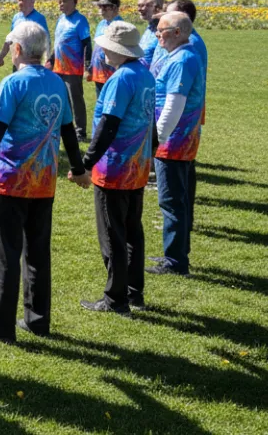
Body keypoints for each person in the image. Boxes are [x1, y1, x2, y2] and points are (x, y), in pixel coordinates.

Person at [0, 21, 86, 342]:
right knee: (38, 253)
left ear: (16, 50)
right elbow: (69, 131)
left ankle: (0, 327)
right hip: (44, 182)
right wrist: (78, 167)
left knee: (8, 254)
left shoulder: (12, 83)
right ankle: (37, 320)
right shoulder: (58, 83)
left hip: (11, 183)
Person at [78, 21, 155, 316]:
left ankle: (116, 299)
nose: (103, 51)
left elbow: (108, 125)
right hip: (137, 165)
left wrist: (85, 163)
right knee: (133, 231)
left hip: (115, 169)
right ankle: (135, 293)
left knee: (113, 235)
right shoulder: (145, 75)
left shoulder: (121, 79)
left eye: (107, 47)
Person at [147, 12, 205, 277]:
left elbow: (173, 106)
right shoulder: (181, 56)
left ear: (178, 32)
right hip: (178, 140)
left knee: (171, 202)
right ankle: (176, 255)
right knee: (176, 201)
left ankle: (176, 261)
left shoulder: (182, 60)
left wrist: (155, 141)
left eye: (162, 30)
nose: (157, 34)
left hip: (173, 142)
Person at [47, 0, 92, 140]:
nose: (60, 4)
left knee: (75, 100)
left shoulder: (80, 20)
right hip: (58, 68)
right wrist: (51, 60)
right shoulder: (61, 19)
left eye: (63, 1)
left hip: (73, 69)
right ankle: (63, 128)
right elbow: (58, 43)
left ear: (73, 2)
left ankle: (80, 131)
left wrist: (87, 66)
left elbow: (87, 44)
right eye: (59, 1)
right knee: (60, 99)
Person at [0, 0, 49, 64]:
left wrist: (47, 59)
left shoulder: (39, 18)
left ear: (32, 1)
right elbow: (10, 38)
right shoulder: (16, 17)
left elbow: (46, 39)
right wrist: (1, 57)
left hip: (32, 59)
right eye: (19, 0)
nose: (20, 3)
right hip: (18, 58)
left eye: (23, 0)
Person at [87, 0, 123, 94]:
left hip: (111, 73)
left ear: (114, 8)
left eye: (105, 7)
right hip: (98, 72)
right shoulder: (101, 24)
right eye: (100, 6)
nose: (101, 10)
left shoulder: (120, 26)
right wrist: (90, 67)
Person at [136, 0, 165, 69]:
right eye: (139, 5)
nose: (139, 9)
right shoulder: (150, 27)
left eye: (145, 5)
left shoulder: (164, 30)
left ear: (158, 8)